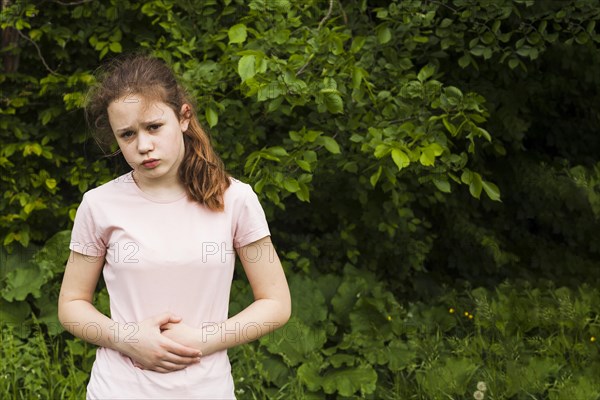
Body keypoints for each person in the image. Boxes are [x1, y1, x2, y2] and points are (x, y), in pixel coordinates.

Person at [58, 54, 291, 399]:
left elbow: (276, 303)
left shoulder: (236, 199)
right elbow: (71, 305)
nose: (143, 146)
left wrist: (203, 338)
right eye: (127, 134)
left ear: (183, 117)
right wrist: (127, 338)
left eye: (154, 127)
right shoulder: (99, 205)